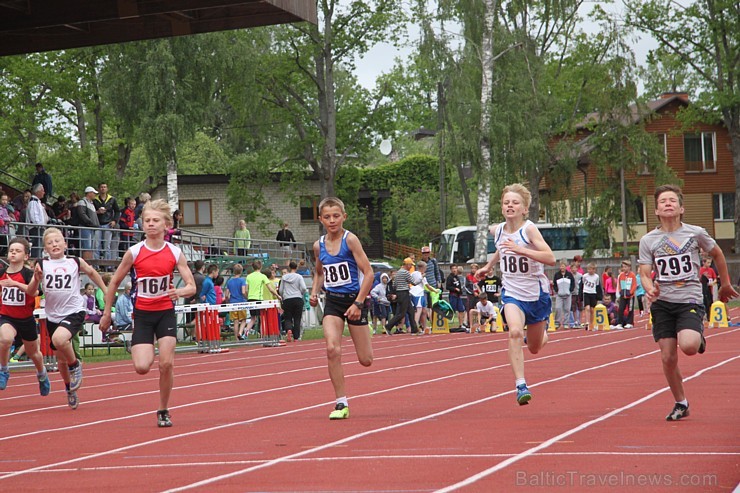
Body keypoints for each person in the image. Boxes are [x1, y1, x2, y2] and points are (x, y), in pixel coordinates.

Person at [639, 184, 738, 421]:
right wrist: (650, 287)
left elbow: (717, 254)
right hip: (663, 302)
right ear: (656, 211)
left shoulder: (695, 233)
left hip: (689, 298)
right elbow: (644, 271)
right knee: (667, 357)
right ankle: (681, 402)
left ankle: (698, 336)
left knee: (690, 347)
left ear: (681, 208)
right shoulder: (648, 240)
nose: (668, 204)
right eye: (663, 201)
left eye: (672, 200)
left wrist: (725, 283)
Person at [99, 199, 196, 427]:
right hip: (142, 314)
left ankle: (163, 409)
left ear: (166, 225)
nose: (151, 224)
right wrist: (106, 313)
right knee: (142, 367)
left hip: (165, 313)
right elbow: (113, 283)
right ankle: (148, 347)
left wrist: (178, 291)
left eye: (155, 221)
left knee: (166, 364)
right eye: (147, 221)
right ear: (142, 225)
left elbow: (191, 286)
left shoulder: (174, 252)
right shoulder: (134, 252)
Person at [475, 183, 555, 405]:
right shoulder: (498, 230)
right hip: (512, 293)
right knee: (515, 333)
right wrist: (488, 266)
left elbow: (550, 258)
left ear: (524, 209)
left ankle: (541, 334)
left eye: (515, 203)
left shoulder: (529, 230)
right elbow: (501, 248)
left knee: (534, 348)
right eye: (506, 202)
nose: (510, 206)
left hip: (536, 295)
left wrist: (522, 249)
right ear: (502, 208)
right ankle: (521, 384)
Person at [27, 227, 107, 409]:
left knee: (59, 339)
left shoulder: (74, 261)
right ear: (45, 248)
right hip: (53, 315)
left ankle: (75, 364)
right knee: (60, 359)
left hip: (74, 310)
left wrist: (106, 289)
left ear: (65, 244)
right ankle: (69, 388)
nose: (54, 244)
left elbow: (93, 273)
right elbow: (32, 292)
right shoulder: (41, 264)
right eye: (49, 243)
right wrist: (36, 279)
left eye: (57, 241)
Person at [309, 197, 374, 420]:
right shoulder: (318, 246)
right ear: (320, 219)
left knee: (366, 360)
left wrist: (358, 303)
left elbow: (369, 273)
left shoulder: (351, 240)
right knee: (332, 349)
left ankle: (366, 329)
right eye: (327, 217)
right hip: (334, 303)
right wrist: (315, 291)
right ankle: (341, 403)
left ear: (344, 217)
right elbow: (319, 271)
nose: (332, 220)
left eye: (336, 216)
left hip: (354, 300)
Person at [0, 237, 51, 395]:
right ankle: (4, 370)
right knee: (5, 339)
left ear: (26, 256)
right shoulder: (1, 273)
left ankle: (42, 374)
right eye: (11, 251)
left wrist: (14, 284)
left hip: (26, 318)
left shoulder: (29, 274)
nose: (13, 253)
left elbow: (33, 292)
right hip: (6, 316)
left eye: (17, 251)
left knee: (33, 353)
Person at [245, 260, 280, 336]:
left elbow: (246, 290)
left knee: (253, 319)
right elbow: (271, 289)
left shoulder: (248, 276)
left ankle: (245, 332)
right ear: (260, 267)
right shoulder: (262, 276)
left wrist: (248, 297)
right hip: (259, 299)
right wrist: (277, 296)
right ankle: (262, 336)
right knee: (262, 318)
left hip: (250, 298)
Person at [384, 258, 418, 335]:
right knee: (401, 313)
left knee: (411, 311)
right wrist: (421, 278)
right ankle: (388, 326)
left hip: (400, 293)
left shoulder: (398, 272)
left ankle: (414, 329)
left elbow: (394, 285)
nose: (411, 267)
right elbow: (414, 282)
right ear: (408, 264)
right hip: (404, 293)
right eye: (411, 265)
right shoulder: (405, 272)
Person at [279, 260, 308, 341]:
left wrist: (283, 296)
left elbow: (281, 290)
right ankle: (296, 337)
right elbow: (304, 288)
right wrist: (301, 293)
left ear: (289, 267)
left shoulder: (284, 277)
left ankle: (288, 329)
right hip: (297, 298)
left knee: (288, 317)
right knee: (297, 318)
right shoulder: (299, 277)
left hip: (287, 299)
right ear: (296, 267)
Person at [93, 183, 121, 262]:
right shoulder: (95, 200)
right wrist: (97, 212)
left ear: (107, 189)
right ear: (98, 189)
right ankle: (96, 265)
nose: (103, 188)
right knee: (96, 245)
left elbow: (117, 211)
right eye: (101, 187)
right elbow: (91, 212)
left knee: (107, 246)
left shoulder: (112, 199)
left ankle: (107, 265)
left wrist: (114, 221)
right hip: (97, 224)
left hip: (108, 224)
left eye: (104, 187)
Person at [225, 264, 248, 339]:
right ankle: (240, 332)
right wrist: (247, 298)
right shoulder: (242, 280)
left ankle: (236, 338)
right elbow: (243, 291)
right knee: (244, 319)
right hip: (241, 302)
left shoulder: (229, 281)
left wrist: (227, 301)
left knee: (235, 321)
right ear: (241, 271)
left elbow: (226, 294)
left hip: (233, 302)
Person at [76, 186, 100, 260]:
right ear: (89, 193)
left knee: (90, 246)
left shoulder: (90, 203)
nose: (95, 195)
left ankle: (89, 263)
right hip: (86, 227)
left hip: (90, 228)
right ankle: (87, 263)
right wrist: (90, 222)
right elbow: (82, 214)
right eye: (93, 193)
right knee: (87, 246)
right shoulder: (82, 202)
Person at [27, 183, 49, 258]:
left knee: (39, 245)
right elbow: (34, 215)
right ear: (38, 191)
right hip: (37, 228)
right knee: (37, 244)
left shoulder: (37, 201)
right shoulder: (33, 202)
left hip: (40, 227)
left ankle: (38, 258)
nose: (44, 192)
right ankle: (36, 259)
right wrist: (39, 225)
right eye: (42, 190)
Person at [552, 261, 574, 330]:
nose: (562, 267)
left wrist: (570, 290)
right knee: (558, 308)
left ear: (565, 266)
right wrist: (557, 290)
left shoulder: (569, 275)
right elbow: (554, 284)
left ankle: (565, 323)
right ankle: (557, 322)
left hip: (567, 295)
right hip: (559, 295)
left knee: (567, 309)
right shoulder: (557, 275)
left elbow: (573, 283)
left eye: (563, 266)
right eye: (561, 266)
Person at [616, 260, 637, 329]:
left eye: (625, 267)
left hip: (630, 296)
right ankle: (620, 322)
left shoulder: (632, 275)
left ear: (629, 267)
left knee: (630, 309)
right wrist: (620, 291)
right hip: (623, 294)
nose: (624, 268)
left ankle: (629, 322)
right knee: (621, 309)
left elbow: (634, 285)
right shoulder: (621, 275)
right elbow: (619, 284)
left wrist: (630, 292)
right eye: (623, 267)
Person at [580, 262, 602, 329]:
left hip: (593, 293)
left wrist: (599, 296)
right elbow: (582, 284)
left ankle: (592, 323)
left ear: (594, 270)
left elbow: (597, 286)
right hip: (586, 292)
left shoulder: (596, 277)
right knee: (587, 308)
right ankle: (587, 322)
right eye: (589, 269)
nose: (590, 271)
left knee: (592, 309)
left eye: (592, 269)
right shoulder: (585, 276)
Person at [445, 265, 467, 329]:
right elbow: (447, 287)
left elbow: (459, 286)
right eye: (453, 269)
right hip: (453, 295)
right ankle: (449, 322)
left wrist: (460, 292)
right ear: (451, 270)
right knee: (452, 310)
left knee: (461, 309)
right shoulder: (450, 277)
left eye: (455, 268)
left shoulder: (457, 277)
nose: (454, 270)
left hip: (458, 296)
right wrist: (455, 289)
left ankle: (461, 324)